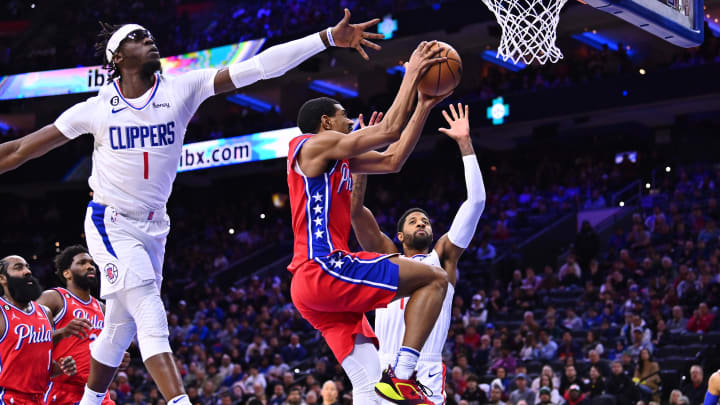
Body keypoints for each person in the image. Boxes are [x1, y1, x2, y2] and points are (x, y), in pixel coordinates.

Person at [0, 10, 383, 405]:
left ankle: (89, 402)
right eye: (138, 37)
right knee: (148, 307)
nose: (150, 39)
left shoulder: (180, 88)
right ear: (118, 57)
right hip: (109, 221)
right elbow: (18, 149)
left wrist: (325, 37)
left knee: (118, 327)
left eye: (150, 34)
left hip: (155, 226)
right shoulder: (95, 109)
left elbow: (260, 67)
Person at [286, 41, 449, 404]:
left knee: (368, 387)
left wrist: (422, 105)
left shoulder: (340, 159)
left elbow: (393, 159)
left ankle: (394, 380)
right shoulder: (309, 145)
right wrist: (410, 75)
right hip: (323, 268)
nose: (350, 119)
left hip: (313, 290)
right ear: (326, 123)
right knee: (435, 278)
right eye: (344, 115)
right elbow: (390, 129)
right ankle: (405, 372)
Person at [350, 102, 485, 404]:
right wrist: (360, 152)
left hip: (424, 370)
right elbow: (355, 212)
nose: (421, 222)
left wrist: (465, 143)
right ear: (400, 236)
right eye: (413, 221)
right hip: (380, 367)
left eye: (425, 220)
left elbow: (475, 203)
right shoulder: (387, 256)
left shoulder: (444, 257)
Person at [39, 245, 132, 405]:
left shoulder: (103, 309)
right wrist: (62, 332)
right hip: (61, 390)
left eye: (91, 262)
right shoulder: (55, 298)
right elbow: (28, 340)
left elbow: (102, 355)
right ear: (66, 273)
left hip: (98, 393)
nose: (90, 266)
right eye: (82, 263)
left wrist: (117, 358)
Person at [0, 256, 78, 404]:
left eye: (27, 267)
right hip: (8, 398)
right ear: (2, 278)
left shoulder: (45, 312)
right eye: (18, 267)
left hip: (40, 398)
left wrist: (60, 367)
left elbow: (44, 367)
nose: (27, 271)